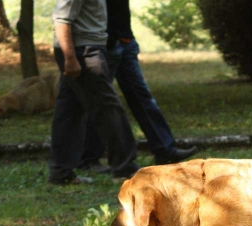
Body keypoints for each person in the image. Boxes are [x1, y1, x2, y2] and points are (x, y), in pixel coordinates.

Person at [79, 0, 197, 171]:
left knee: (142, 97)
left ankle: (165, 150)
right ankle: (88, 158)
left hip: (125, 42)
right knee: (103, 102)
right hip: (106, 44)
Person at [49, 0, 140, 184]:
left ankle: (61, 172)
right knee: (109, 109)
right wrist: (70, 58)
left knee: (69, 111)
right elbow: (61, 19)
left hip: (84, 48)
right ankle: (125, 169)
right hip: (82, 52)